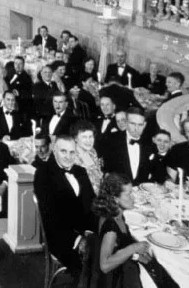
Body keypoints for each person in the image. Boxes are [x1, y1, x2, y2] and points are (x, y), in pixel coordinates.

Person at [33, 134, 96, 274]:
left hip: (85, 234)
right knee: (101, 263)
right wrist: (79, 240)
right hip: (62, 239)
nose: (68, 157)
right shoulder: (43, 174)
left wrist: (91, 233)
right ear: (54, 151)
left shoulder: (81, 171)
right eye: (63, 151)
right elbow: (50, 217)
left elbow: (93, 205)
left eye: (72, 152)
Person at [90, 172, 150, 288]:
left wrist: (136, 254)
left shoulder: (117, 214)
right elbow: (105, 265)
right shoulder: (111, 228)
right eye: (128, 195)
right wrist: (134, 248)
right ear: (115, 199)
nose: (133, 198)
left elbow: (120, 246)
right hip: (115, 281)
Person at [72, 121, 104, 193]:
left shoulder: (92, 151)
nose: (88, 141)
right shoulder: (72, 157)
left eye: (91, 136)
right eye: (84, 137)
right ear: (75, 138)